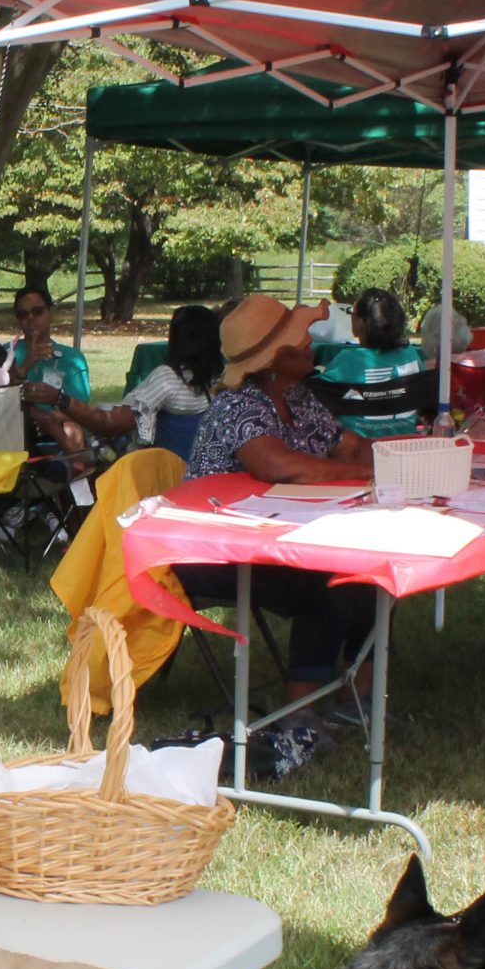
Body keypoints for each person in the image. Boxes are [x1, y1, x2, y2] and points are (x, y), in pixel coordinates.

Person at [175, 294, 378, 703]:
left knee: (372, 574)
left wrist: (386, 459)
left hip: (269, 541)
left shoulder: (297, 397)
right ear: (271, 359)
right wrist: (367, 474)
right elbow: (279, 466)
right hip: (212, 551)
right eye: (297, 339)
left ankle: (361, 698)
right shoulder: (238, 405)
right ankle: (300, 713)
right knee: (329, 586)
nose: (309, 343)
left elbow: (351, 446)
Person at [31, 303, 220, 450]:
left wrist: (59, 398)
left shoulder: (167, 379)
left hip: (168, 478)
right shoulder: (224, 380)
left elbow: (108, 423)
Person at [314, 288, 434, 438]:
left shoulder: (349, 361)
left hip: (359, 450)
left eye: (352, 313)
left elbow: (313, 396)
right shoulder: (411, 355)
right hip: (403, 446)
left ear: (362, 322)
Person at [7, 284, 95, 454]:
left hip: (55, 431)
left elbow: (83, 412)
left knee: (73, 430)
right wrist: (25, 365)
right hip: (12, 428)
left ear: (50, 312)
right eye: (23, 314)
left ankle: (76, 478)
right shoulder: (5, 354)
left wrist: (54, 418)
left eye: (37, 311)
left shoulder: (71, 359)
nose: (30, 318)